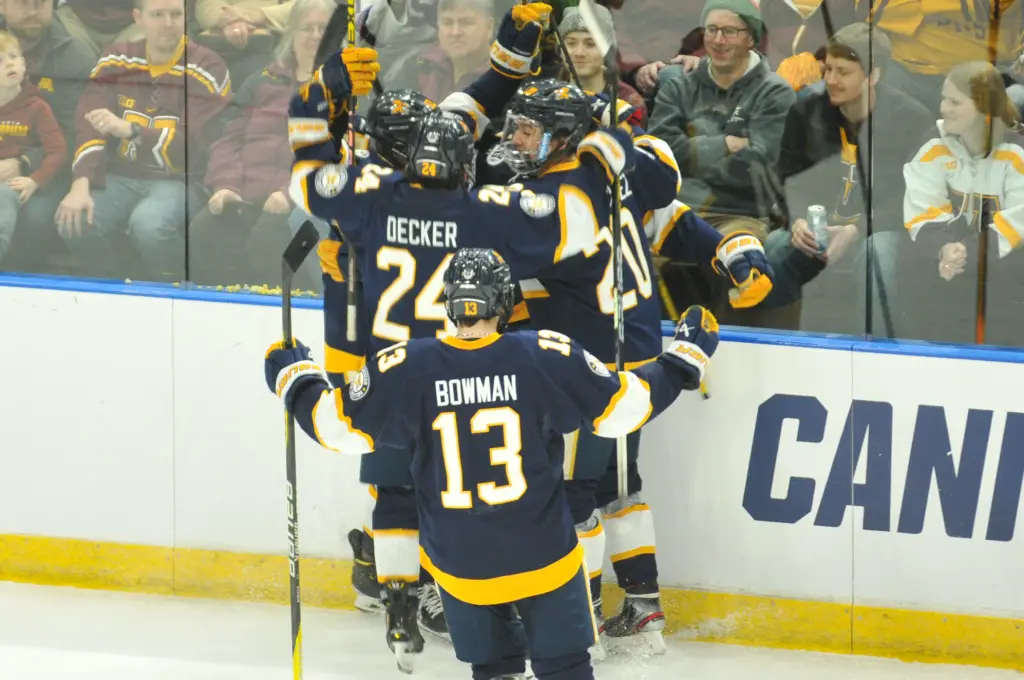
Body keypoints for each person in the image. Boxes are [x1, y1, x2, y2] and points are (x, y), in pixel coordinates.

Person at [263, 247, 721, 680]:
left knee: (494, 670)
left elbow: (333, 428)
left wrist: (294, 378)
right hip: (542, 557)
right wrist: (683, 360)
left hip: (461, 568)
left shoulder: (406, 365)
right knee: (565, 668)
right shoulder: (543, 354)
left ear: (449, 303)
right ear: (504, 302)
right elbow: (627, 410)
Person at [758, 23, 932, 336]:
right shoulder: (806, 111)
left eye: (843, 72)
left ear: (873, 75)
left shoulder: (911, 119)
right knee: (775, 245)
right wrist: (795, 219)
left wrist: (856, 230)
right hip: (818, 228)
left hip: (875, 230)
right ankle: (777, 346)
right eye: (827, 70)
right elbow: (786, 179)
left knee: (879, 254)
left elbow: (911, 200)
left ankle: (876, 353)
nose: (831, 80)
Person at [55, 0, 230, 282]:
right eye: (157, 14)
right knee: (72, 220)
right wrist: (81, 182)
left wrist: (133, 131)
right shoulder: (116, 59)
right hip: (122, 175)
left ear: (186, 17)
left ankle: (180, 289)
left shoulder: (207, 67)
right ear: (138, 18)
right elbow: (89, 123)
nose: (168, 23)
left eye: (175, 14)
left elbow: (194, 145)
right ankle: (114, 284)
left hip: (181, 180)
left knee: (148, 225)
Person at [902, 60, 1024, 346]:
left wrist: (965, 254)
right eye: (944, 99)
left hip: (998, 263)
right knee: (913, 262)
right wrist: (944, 249)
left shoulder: (1016, 151)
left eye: (955, 101)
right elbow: (923, 210)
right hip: (946, 260)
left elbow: (1018, 221)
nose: (944, 108)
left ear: (983, 107)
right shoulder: (933, 143)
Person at [0, 30, 66, 266]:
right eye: (0, 60)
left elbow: (57, 150)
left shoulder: (37, 106)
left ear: (24, 63)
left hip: (16, 183)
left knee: (2, 196)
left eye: (13, 56)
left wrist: (35, 180)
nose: (9, 63)